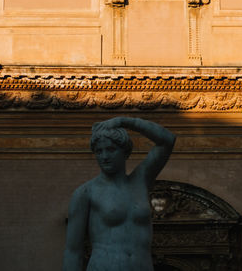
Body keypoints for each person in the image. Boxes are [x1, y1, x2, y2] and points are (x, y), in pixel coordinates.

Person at [63, 116, 176, 271]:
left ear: (125, 152)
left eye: (110, 149)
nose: (104, 157)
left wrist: (127, 122)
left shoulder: (140, 181)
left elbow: (167, 141)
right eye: (99, 151)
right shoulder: (86, 193)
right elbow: (73, 251)